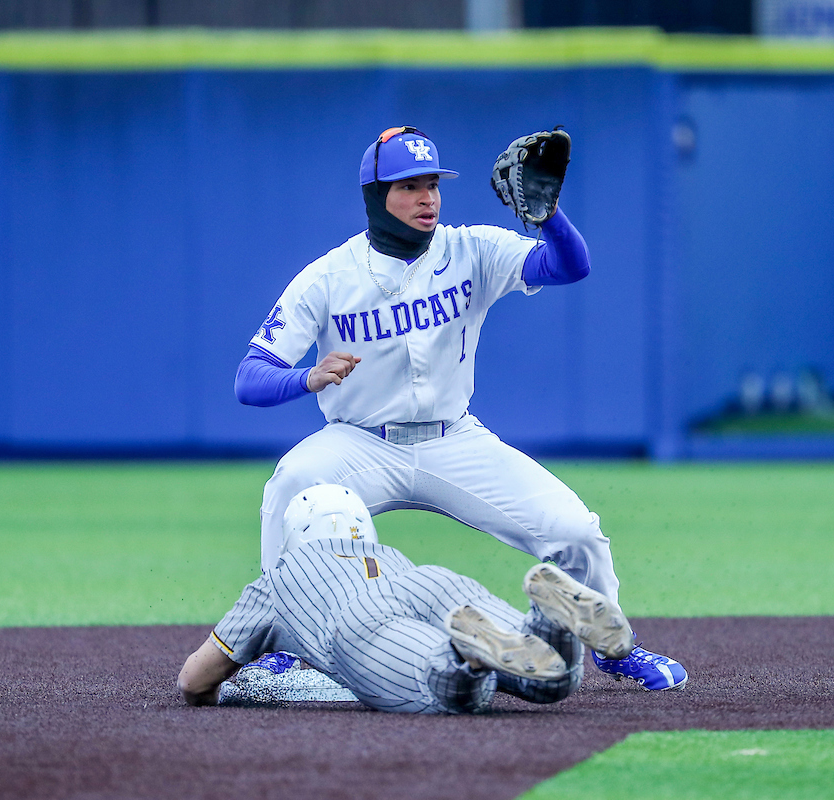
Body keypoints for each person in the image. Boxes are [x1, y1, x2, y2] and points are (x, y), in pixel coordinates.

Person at [232, 126, 687, 691]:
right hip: (360, 443)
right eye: (409, 186)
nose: (428, 198)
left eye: (433, 185)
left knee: (575, 530)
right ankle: (277, 646)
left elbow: (570, 266)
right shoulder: (328, 277)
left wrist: (548, 217)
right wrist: (306, 377)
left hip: (454, 441)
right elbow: (249, 379)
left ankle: (614, 650)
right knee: (291, 484)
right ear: (376, 195)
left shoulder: (472, 248)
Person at [177, 485, 635, 713]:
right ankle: (549, 618)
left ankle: (468, 657)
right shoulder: (388, 554)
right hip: (431, 583)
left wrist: (223, 690)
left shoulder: (276, 582)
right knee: (554, 680)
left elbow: (194, 681)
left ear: (293, 535)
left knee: (451, 693)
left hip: (359, 625)